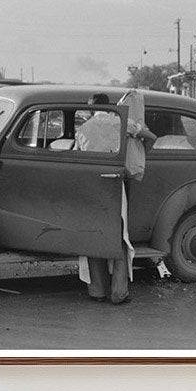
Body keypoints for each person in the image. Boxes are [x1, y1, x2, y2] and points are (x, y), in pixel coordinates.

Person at [75, 91, 155, 305]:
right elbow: (151, 137)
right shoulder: (121, 122)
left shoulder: (83, 129)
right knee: (119, 236)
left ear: (91, 108)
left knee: (94, 237)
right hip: (115, 184)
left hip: (92, 187)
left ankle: (97, 291)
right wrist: (141, 151)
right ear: (108, 106)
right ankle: (119, 292)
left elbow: (77, 157)